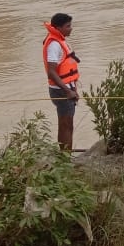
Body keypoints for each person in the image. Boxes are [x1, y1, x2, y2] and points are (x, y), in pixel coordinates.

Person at [44, 13, 80, 151]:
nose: (71, 29)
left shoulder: (59, 40)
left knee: (67, 125)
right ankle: (65, 160)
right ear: (58, 28)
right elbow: (51, 72)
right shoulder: (54, 45)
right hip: (61, 91)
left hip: (66, 89)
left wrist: (73, 89)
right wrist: (68, 91)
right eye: (68, 26)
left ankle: (64, 157)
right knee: (66, 126)